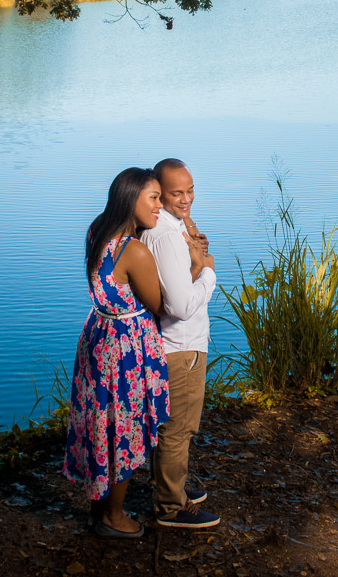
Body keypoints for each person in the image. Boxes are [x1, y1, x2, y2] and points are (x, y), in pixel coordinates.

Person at [62, 167, 174, 539]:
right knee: (124, 430)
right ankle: (113, 516)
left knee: (101, 424)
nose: (161, 206)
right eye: (154, 198)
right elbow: (158, 304)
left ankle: (98, 506)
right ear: (131, 198)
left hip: (99, 334)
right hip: (127, 345)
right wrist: (195, 264)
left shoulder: (98, 230)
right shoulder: (134, 251)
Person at [141, 158, 221, 529]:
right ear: (160, 190)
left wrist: (195, 258)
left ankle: (171, 489)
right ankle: (171, 507)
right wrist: (208, 272)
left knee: (171, 426)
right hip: (181, 346)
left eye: (190, 190)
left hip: (173, 344)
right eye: (176, 193)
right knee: (178, 429)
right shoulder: (166, 236)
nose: (186, 198)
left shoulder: (168, 229)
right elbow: (181, 306)